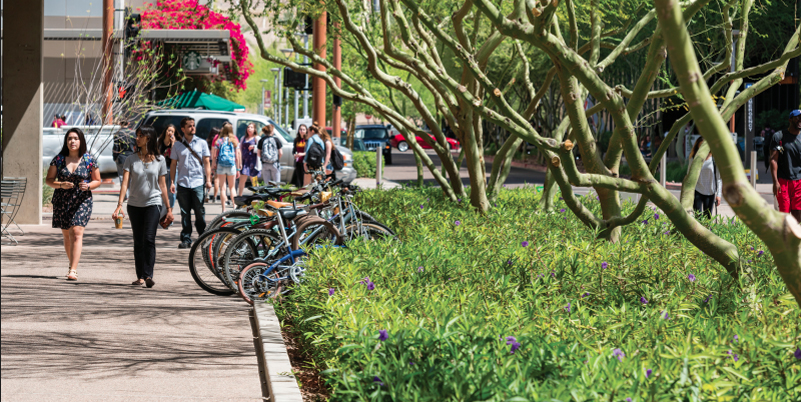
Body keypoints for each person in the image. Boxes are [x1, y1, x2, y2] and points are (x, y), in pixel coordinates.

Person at [113, 126, 173, 288]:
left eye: (140, 136)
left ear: (149, 138)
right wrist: (119, 205)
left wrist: (169, 208)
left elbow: (163, 186)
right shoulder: (130, 159)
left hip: (153, 203)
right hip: (134, 205)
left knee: (148, 239)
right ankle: (140, 275)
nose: (137, 138)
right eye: (137, 135)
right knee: (138, 241)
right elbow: (125, 184)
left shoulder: (160, 160)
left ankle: (148, 275)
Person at [45, 128, 102, 281]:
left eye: (75, 138)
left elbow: (98, 180)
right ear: (66, 141)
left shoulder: (89, 159)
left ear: (81, 141)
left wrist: (89, 186)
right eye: (69, 138)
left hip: (82, 200)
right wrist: (61, 184)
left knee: (76, 233)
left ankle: (73, 270)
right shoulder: (58, 159)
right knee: (67, 235)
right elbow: (49, 180)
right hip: (62, 201)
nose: (72, 141)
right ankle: (72, 264)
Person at [170, 117, 212, 249]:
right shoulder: (177, 145)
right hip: (183, 183)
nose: (192, 128)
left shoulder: (202, 143)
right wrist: (172, 182)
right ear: (183, 129)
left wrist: (209, 180)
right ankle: (186, 239)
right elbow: (173, 165)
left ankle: (202, 236)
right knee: (185, 213)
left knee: (200, 212)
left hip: (198, 182)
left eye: (193, 125)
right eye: (189, 126)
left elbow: (206, 162)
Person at [769, 109, 801, 221]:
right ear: (790, 119)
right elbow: (773, 160)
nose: (800, 120)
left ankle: (796, 237)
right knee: (784, 215)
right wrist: (775, 182)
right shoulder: (779, 136)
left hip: (799, 181)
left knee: (798, 213)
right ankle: (784, 237)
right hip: (783, 182)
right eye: (797, 117)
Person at [211, 123, 241, 213]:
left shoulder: (219, 141)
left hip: (221, 165)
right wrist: (238, 168)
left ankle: (223, 210)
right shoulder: (234, 141)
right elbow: (238, 155)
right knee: (232, 188)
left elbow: (214, 155)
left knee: (223, 188)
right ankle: (234, 207)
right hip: (231, 166)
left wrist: (213, 166)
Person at [688, 137, 721, 219]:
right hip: (697, 190)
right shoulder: (694, 158)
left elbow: (719, 178)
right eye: (700, 145)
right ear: (697, 146)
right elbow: (689, 175)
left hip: (710, 191)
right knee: (697, 217)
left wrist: (719, 195)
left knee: (707, 218)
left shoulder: (714, 159)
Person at [112, 121, 135, 200]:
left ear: (120, 124)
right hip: (131, 157)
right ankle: (130, 194)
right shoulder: (132, 133)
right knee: (131, 176)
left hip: (121, 157)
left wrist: (115, 157)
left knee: (122, 177)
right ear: (128, 123)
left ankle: (125, 194)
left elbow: (116, 147)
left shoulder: (117, 134)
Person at [238, 122, 260, 196]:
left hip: (253, 162)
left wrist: (254, 147)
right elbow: (240, 150)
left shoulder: (256, 138)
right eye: (248, 127)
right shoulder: (243, 138)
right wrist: (240, 162)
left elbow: (261, 149)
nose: (249, 129)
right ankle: (240, 197)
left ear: (254, 129)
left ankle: (257, 198)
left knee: (254, 181)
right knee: (242, 181)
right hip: (244, 162)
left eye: (251, 127)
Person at [158, 124, 177, 209]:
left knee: (171, 192)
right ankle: (162, 212)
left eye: (172, 131)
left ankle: (170, 213)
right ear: (165, 131)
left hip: (171, 169)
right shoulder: (159, 142)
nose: (170, 132)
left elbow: (174, 157)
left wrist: (173, 143)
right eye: (169, 130)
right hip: (160, 170)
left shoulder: (174, 144)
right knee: (161, 190)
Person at [206, 127, 222, 203]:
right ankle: (215, 197)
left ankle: (207, 194)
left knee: (209, 179)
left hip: (208, 161)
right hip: (215, 161)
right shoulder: (218, 140)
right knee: (216, 180)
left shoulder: (207, 141)